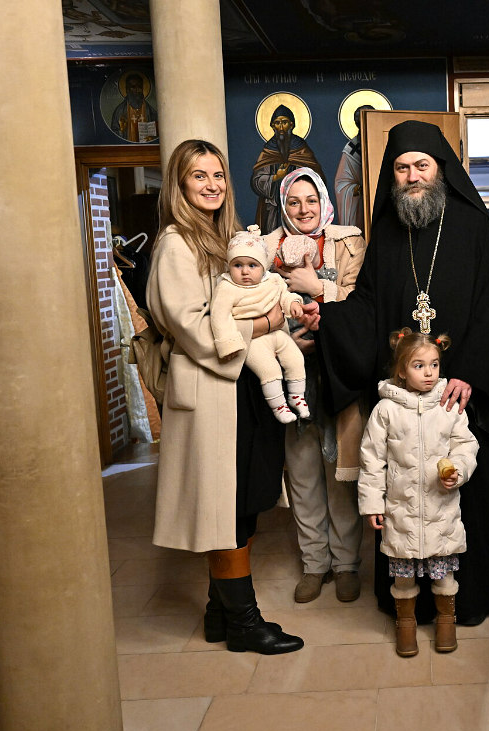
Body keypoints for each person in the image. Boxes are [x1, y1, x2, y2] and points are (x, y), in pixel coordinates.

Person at [315, 119, 489, 626]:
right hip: (403, 399)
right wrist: (329, 316)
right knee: (405, 492)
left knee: (457, 490)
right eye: (402, 168)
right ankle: (408, 602)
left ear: (440, 169)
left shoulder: (473, 227)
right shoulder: (388, 231)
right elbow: (367, 304)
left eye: (421, 166)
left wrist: (470, 374)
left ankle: (465, 599)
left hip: (456, 396)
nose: (412, 176)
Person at [146, 138, 305, 655]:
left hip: (239, 389)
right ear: (180, 184)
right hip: (212, 392)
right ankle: (244, 622)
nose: (212, 184)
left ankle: (219, 612)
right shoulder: (176, 243)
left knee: (244, 500)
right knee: (228, 508)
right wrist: (265, 323)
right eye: (199, 175)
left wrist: (285, 318)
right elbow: (193, 330)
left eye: (218, 174)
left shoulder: (221, 239)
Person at [264, 167, 368, 603]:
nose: (303, 209)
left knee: (341, 473)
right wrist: (286, 339)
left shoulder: (349, 242)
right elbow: (253, 304)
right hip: (292, 375)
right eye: (294, 201)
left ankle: (345, 564)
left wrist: (317, 286)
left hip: (338, 372)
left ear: (324, 201)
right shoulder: (266, 249)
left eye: (311, 200)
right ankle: (314, 564)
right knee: (303, 472)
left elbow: (362, 303)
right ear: (283, 206)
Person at [359, 329, 479, 656]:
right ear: (401, 370)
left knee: (444, 573)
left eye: (434, 365)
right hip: (401, 512)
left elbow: (466, 446)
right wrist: (372, 504)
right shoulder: (386, 410)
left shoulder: (449, 406)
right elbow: (372, 460)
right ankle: (406, 623)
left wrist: (458, 469)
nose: (429, 373)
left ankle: (446, 620)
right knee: (402, 576)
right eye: (419, 365)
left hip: (441, 511)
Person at [210, 225, 309, 423]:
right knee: (269, 370)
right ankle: (279, 406)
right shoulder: (227, 287)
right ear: (229, 266)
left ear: (263, 267)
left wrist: (294, 304)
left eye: (252, 265)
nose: (245, 271)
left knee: (296, 359)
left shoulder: (273, 280)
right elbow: (219, 316)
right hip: (253, 339)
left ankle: (297, 396)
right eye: (238, 265)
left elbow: (284, 296)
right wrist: (228, 344)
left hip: (277, 334)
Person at [252, 104, 325, 234]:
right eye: (277, 123)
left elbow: (317, 178)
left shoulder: (301, 148)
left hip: (300, 209)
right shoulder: (269, 150)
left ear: (291, 124)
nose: (281, 127)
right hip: (273, 210)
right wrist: (276, 177)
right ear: (272, 126)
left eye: (284, 122)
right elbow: (257, 180)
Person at [334, 104, 373, 228]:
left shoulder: (383, 141)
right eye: (359, 121)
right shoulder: (352, 149)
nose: (363, 124)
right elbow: (342, 184)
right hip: (363, 205)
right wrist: (357, 189)